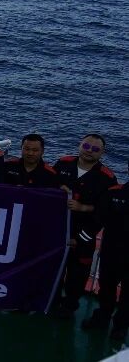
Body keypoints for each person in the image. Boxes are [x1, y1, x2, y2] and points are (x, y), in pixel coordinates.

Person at [54, 134, 118, 317]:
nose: (90, 151)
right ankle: (52, 300)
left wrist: (83, 209)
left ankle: (69, 307)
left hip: (83, 235)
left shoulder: (107, 178)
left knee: (77, 275)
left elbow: (104, 213)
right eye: (87, 146)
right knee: (53, 269)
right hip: (57, 231)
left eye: (95, 149)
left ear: (102, 153)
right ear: (80, 145)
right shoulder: (63, 164)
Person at [86, 165, 129, 339]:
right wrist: (83, 237)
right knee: (106, 287)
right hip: (112, 251)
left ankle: (121, 325)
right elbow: (99, 218)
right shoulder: (114, 192)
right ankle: (102, 317)